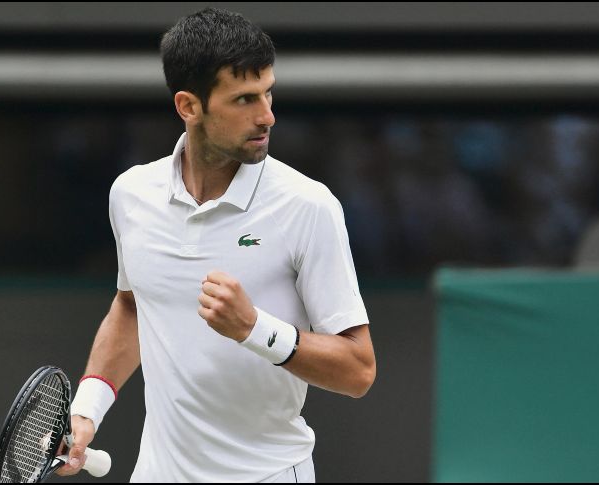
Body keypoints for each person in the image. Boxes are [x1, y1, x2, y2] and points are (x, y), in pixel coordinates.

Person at [57, 7, 375, 483]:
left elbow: (358, 370)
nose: (267, 115)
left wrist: (254, 329)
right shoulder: (130, 195)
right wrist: (87, 411)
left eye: (268, 93)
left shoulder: (308, 206)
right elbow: (132, 307)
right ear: (189, 106)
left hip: (268, 474)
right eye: (244, 99)